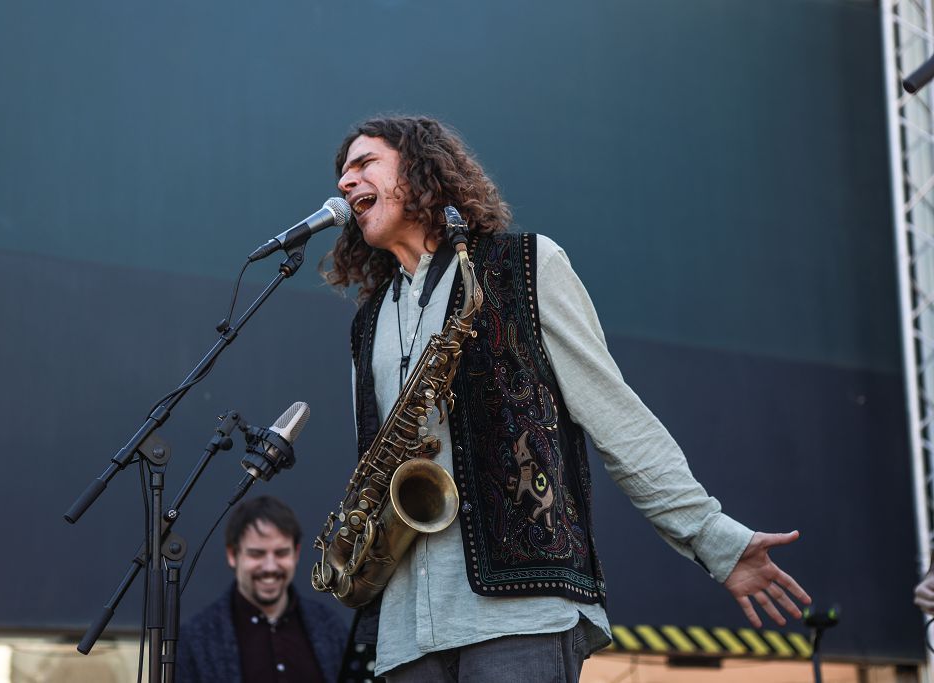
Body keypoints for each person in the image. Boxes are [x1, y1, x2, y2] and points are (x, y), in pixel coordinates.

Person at [319, 115, 812, 682]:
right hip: (406, 634)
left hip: (521, 609)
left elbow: (616, 416)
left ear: (421, 169)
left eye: (364, 164)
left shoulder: (526, 266)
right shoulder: (368, 323)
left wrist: (712, 537)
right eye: (343, 172)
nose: (344, 183)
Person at [176, 495, 348, 683]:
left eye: (281, 553)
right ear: (233, 555)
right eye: (257, 554)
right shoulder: (194, 640)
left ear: (296, 553)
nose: (270, 567)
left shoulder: (331, 627)